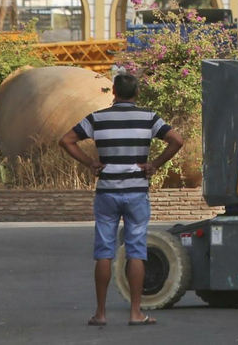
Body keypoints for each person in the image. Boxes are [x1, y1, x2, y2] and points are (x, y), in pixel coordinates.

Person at [59, 72, 185, 327]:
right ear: (137, 93)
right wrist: (155, 165)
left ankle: (101, 313)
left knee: (104, 252)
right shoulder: (149, 118)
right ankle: (136, 313)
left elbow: (66, 140)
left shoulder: (97, 118)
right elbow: (176, 140)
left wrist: (91, 163)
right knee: (136, 250)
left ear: (113, 92)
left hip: (106, 192)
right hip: (136, 192)